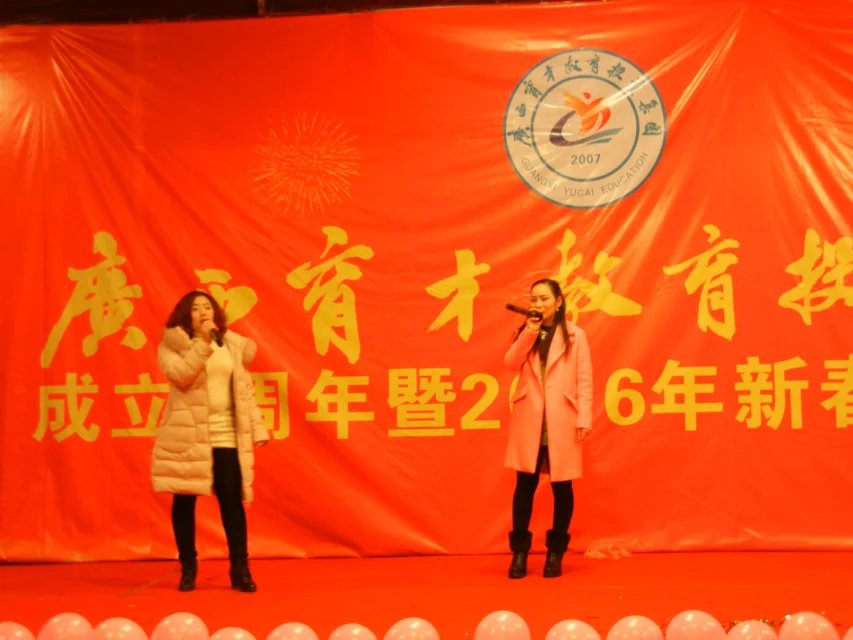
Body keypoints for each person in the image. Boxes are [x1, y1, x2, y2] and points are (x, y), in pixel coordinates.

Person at [151, 290, 270, 592]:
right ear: (185, 315)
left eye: (208, 307)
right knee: (184, 501)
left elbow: (244, 391)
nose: (203, 312)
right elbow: (181, 375)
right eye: (196, 308)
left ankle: (240, 568)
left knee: (232, 502)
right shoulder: (173, 345)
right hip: (188, 435)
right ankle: (188, 566)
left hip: (226, 433)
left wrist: (257, 428)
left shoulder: (231, 344)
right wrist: (203, 343)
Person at [503, 278, 593, 578]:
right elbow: (510, 363)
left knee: (562, 487)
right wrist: (529, 332)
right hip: (530, 418)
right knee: (524, 486)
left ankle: (555, 554)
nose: (538, 304)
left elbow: (584, 379)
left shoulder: (575, 335)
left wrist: (584, 418)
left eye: (544, 299)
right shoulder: (525, 331)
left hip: (561, 418)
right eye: (534, 299)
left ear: (558, 301)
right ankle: (519, 554)